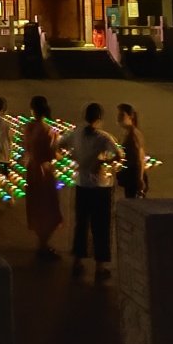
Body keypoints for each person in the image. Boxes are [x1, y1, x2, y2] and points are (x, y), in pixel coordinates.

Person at [59, 102, 120, 281]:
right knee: (100, 226)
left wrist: (75, 157)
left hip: (82, 185)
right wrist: (101, 162)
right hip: (100, 187)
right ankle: (99, 268)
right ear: (99, 119)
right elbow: (118, 155)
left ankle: (77, 262)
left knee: (81, 224)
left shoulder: (76, 132)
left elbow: (59, 145)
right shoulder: (103, 137)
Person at [21, 95, 63, 260]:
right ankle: (43, 246)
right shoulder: (48, 131)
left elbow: (27, 147)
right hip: (44, 173)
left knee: (37, 207)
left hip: (31, 170)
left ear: (33, 110)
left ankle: (42, 244)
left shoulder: (28, 127)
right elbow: (52, 154)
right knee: (49, 208)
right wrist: (61, 153)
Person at [116, 103, 147, 199]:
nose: (118, 117)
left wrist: (140, 179)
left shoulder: (133, 134)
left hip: (134, 178)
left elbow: (140, 158)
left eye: (122, 115)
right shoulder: (127, 133)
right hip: (130, 177)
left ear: (130, 117)